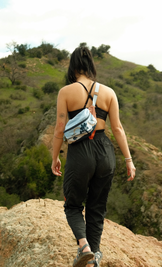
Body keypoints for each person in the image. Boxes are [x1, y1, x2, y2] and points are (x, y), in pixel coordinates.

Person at [51, 46, 136, 267]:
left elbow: (60, 128)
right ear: (91, 65)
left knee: (72, 205)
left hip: (80, 151)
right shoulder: (109, 92)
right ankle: (94, 258)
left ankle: (84, 247)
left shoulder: (66, 92)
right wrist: (129, 160)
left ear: (72, 66)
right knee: (97, 207)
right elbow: (117, 128)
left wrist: (55, 157)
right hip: (105, 151)